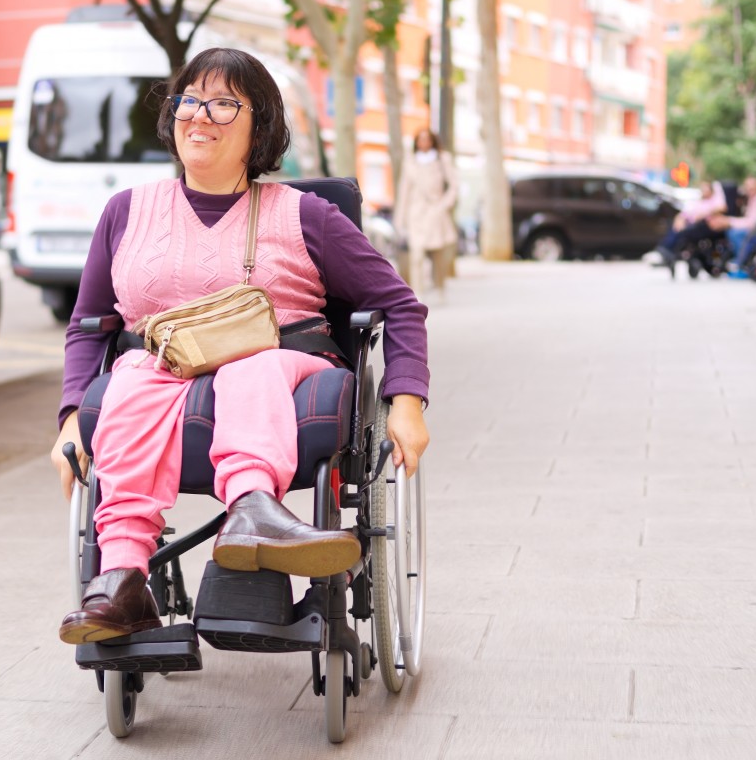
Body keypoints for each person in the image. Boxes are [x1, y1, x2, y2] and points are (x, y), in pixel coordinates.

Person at [50, 48, 430, 644]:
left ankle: (254, 514)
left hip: (283, 364)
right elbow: (90, 322)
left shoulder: (309, 215)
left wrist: (406, 402)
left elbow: (401, 305)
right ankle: (123, 576)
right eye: (189, 101)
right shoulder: (125, 212)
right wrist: (73, 417)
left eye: (224, 104)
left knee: (249, 370)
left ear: (261, 126)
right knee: (127, 380)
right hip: (160, 368)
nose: (199, 116)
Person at [393, 128, 459, 295]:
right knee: (417, 256)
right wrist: (399, 220)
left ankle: (440, 285)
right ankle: (418, 293)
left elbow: (454, 186)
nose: (424, 143)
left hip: (436, 212)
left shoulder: (443, 160)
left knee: (439, 254)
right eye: (420, 139)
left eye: (427, 139)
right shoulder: (410, 163)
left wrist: (444, 204)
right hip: (416, 214)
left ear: (432, 141)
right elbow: (404, 192)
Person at [654, 180, 727, 278]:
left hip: (703, 226)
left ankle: (667, 250)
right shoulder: (698, 202)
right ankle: (666, 250)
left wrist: (704, 214)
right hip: (691, 223)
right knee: (675, 225)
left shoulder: (714, 202)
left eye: (706, 189)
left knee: (684, 232)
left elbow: (722, 207)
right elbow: (685, 213)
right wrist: (679, 219)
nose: (704, 191)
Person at [715, 176, 756, 278]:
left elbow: (752, 222)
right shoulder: (753, 197)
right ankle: (739, 261)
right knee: (732, 231)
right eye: (746, 187)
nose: (748, 190)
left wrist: (728, 221)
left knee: (734, 233)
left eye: (751, 187)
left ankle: (742, 264)